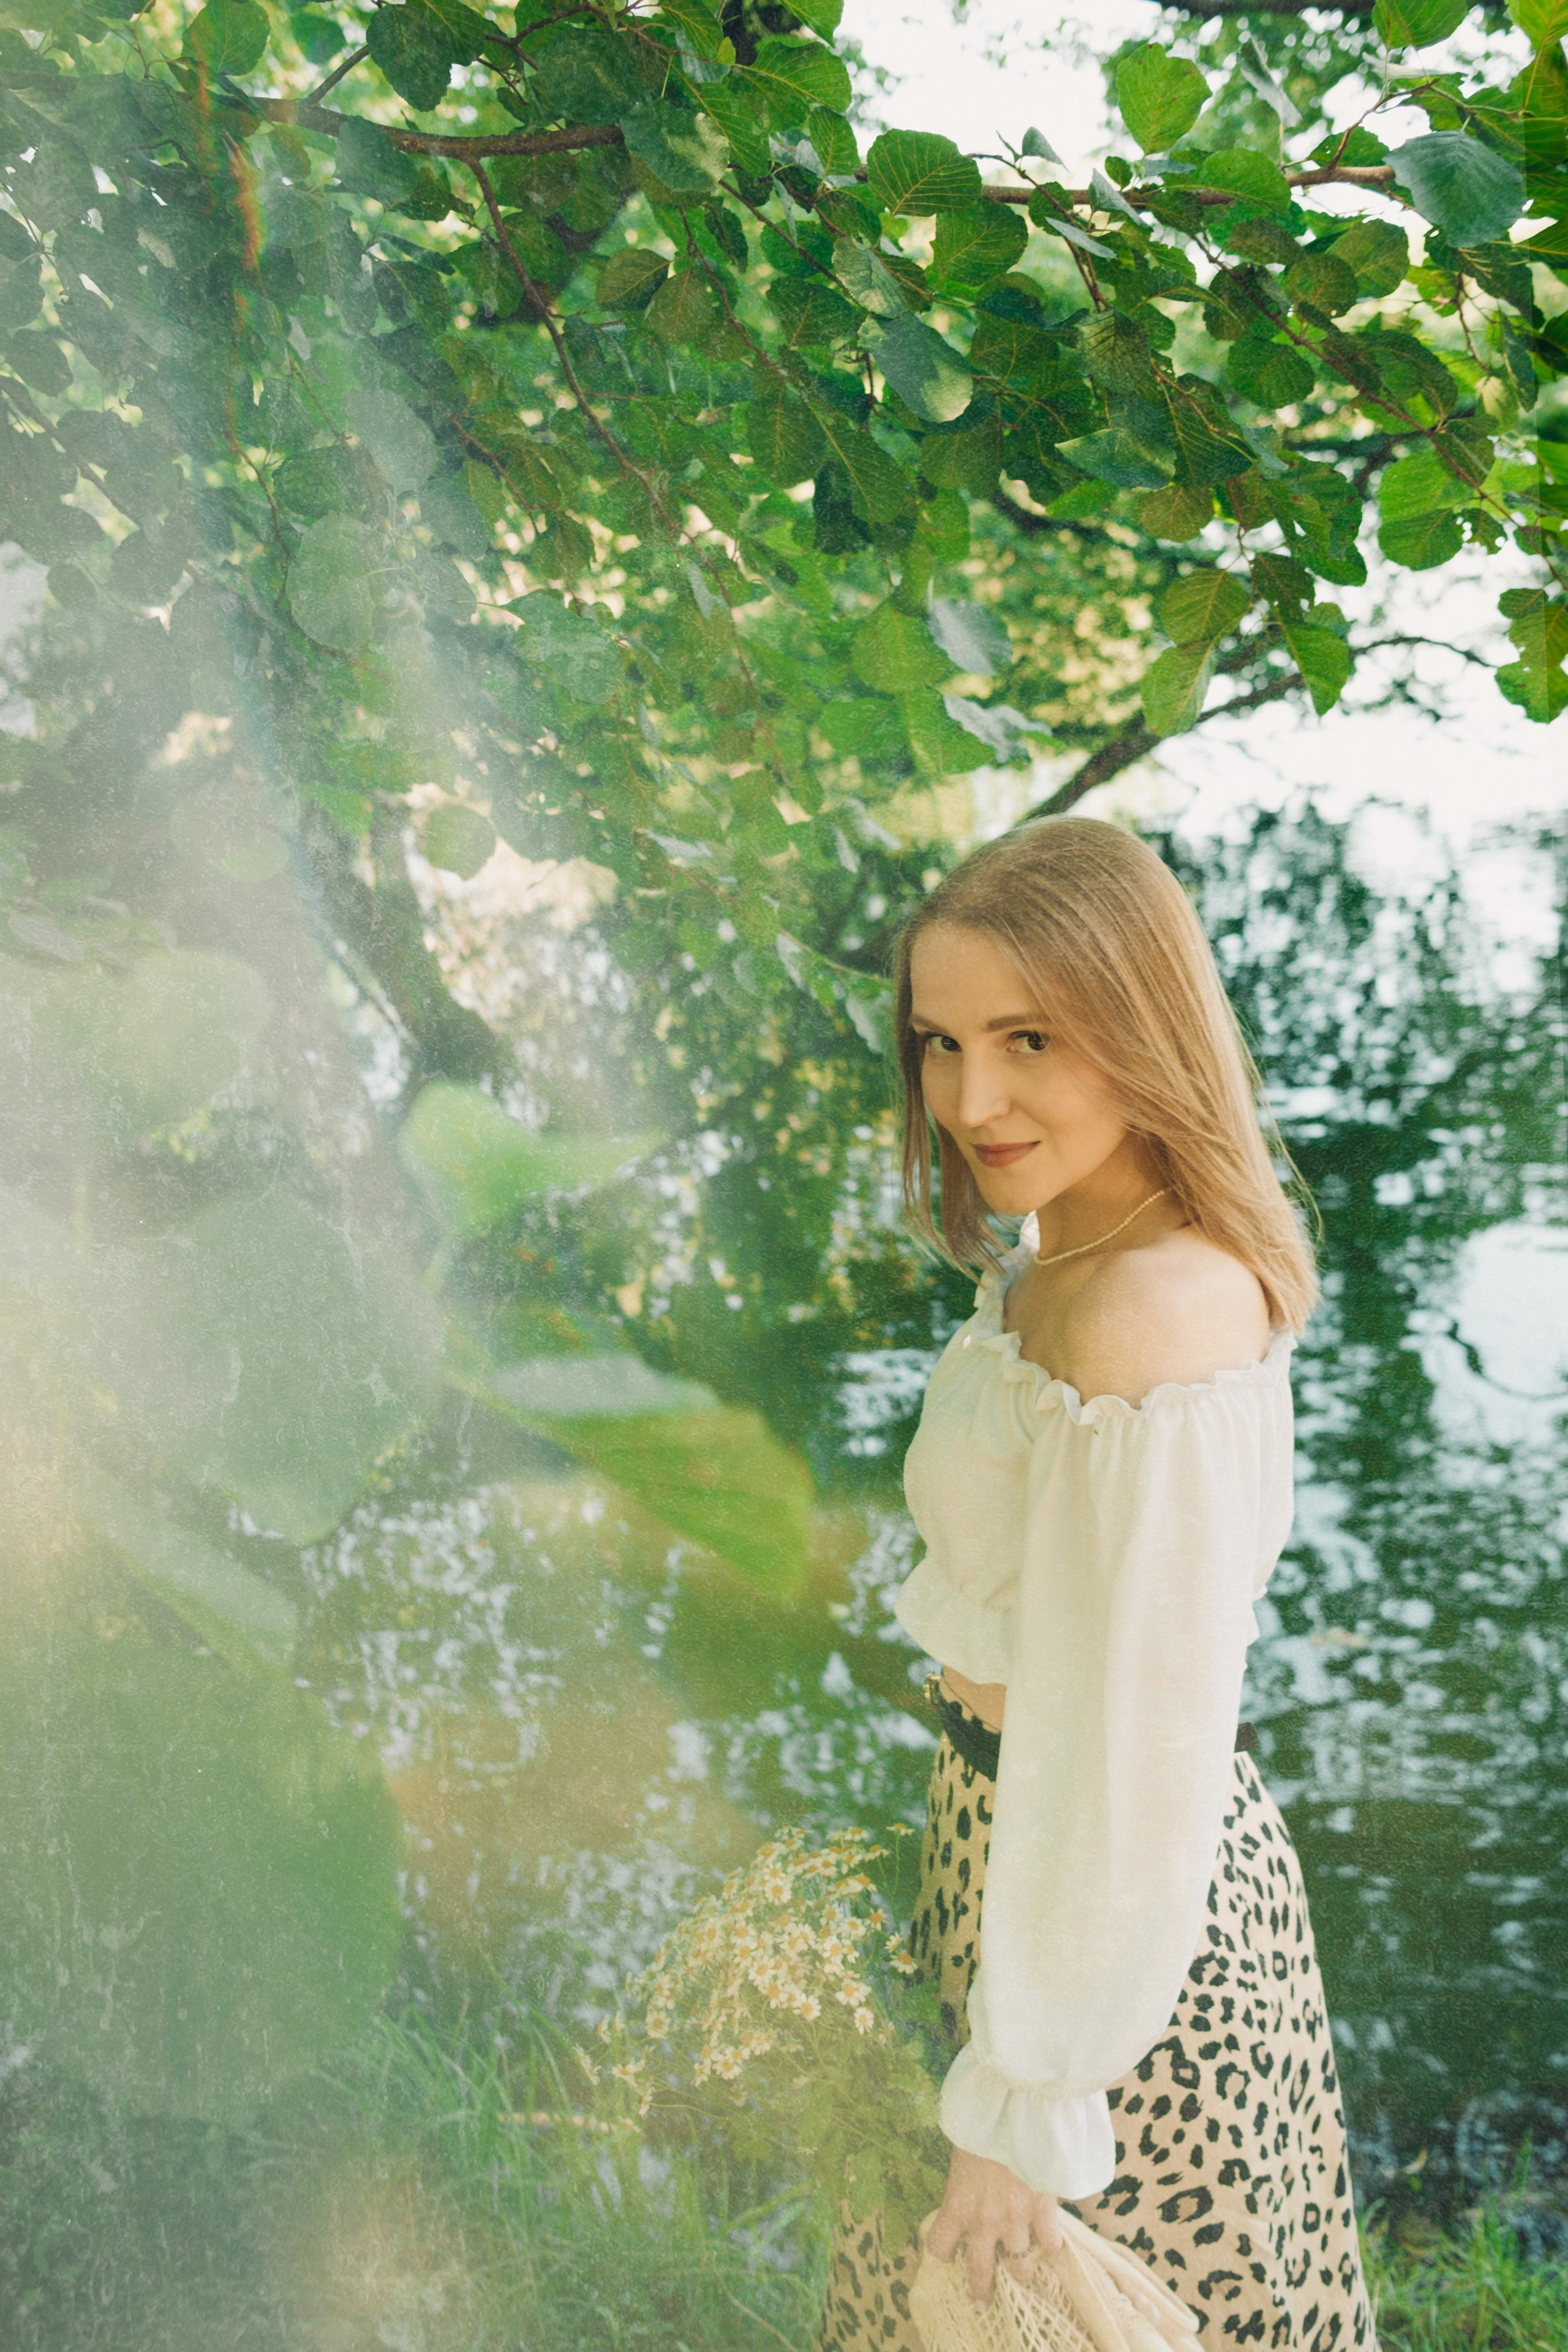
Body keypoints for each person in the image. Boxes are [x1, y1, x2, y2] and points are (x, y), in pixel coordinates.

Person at [819, 818, 1376, 2350]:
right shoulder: (1066, 1250)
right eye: (939, 1042)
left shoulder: (1149, 1319)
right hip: (1011, 1852)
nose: (969, 1099)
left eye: (1027, 1039)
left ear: (1141, 1030)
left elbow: (1132, 1754)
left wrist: (1024, 2098)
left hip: (1110, 1931)